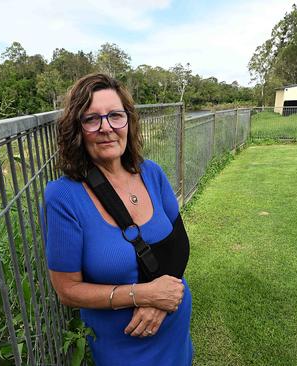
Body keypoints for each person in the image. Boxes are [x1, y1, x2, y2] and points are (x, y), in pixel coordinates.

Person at [44, 73, 193, 365]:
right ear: (77, 129)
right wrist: (144, 295)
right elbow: (67, 291)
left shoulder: (151, 173)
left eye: (115, 115)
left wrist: (161, 303)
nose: (106, 128)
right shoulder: (63, 197)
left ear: (128, 121)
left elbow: (179, 243)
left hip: (175, 333)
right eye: (91, 119)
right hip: (123, 346)